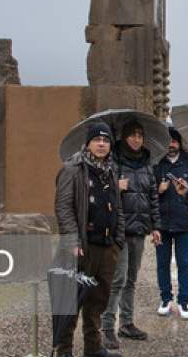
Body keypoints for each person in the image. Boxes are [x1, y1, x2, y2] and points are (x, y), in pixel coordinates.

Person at [53, 122, 124, 357]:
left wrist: (118, 241)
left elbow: (118, 208)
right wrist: (72, 241)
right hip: (82, 247)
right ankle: (63, 350)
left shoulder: (111, 169)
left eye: (106, 140)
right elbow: (63, 207)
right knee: (71, 300)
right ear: (88, 143)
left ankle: (93, 348)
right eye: (97, 140)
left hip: (106, 247)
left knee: (97, 301)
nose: (102, 144)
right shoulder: (72, 169)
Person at [101, 120, 162, 350]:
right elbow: (98, 191)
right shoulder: (112, 161)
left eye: (140, 135)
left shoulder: (147, 162)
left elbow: (153, 197)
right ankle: (108, 327)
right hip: (119, 229)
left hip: (139, 229)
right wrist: (115, 186)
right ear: (124, 137)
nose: (137, 139)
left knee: (132, 280)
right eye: (132, 135)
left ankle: (126, 323)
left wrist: (156, 226)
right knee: (118, 280)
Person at [153, 126, 188, 319]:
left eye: (173, 141)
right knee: (162, 264)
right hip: (162, 223)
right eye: (167, 141)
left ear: (179, 143)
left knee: (184, 263)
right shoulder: (157, 165)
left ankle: (184, 301)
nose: (170, 145)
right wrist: (159, 190)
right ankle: (165, 298)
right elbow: (149, 194)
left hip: (184, 222)